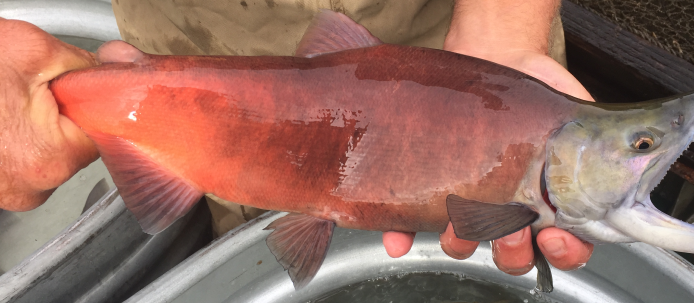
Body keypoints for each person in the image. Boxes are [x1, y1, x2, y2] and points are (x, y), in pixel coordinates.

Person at [0, 0, 593, 276]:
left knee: (516, 232)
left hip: (470, 62)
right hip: (196, 41)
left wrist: (506, 23)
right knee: (225, 184)